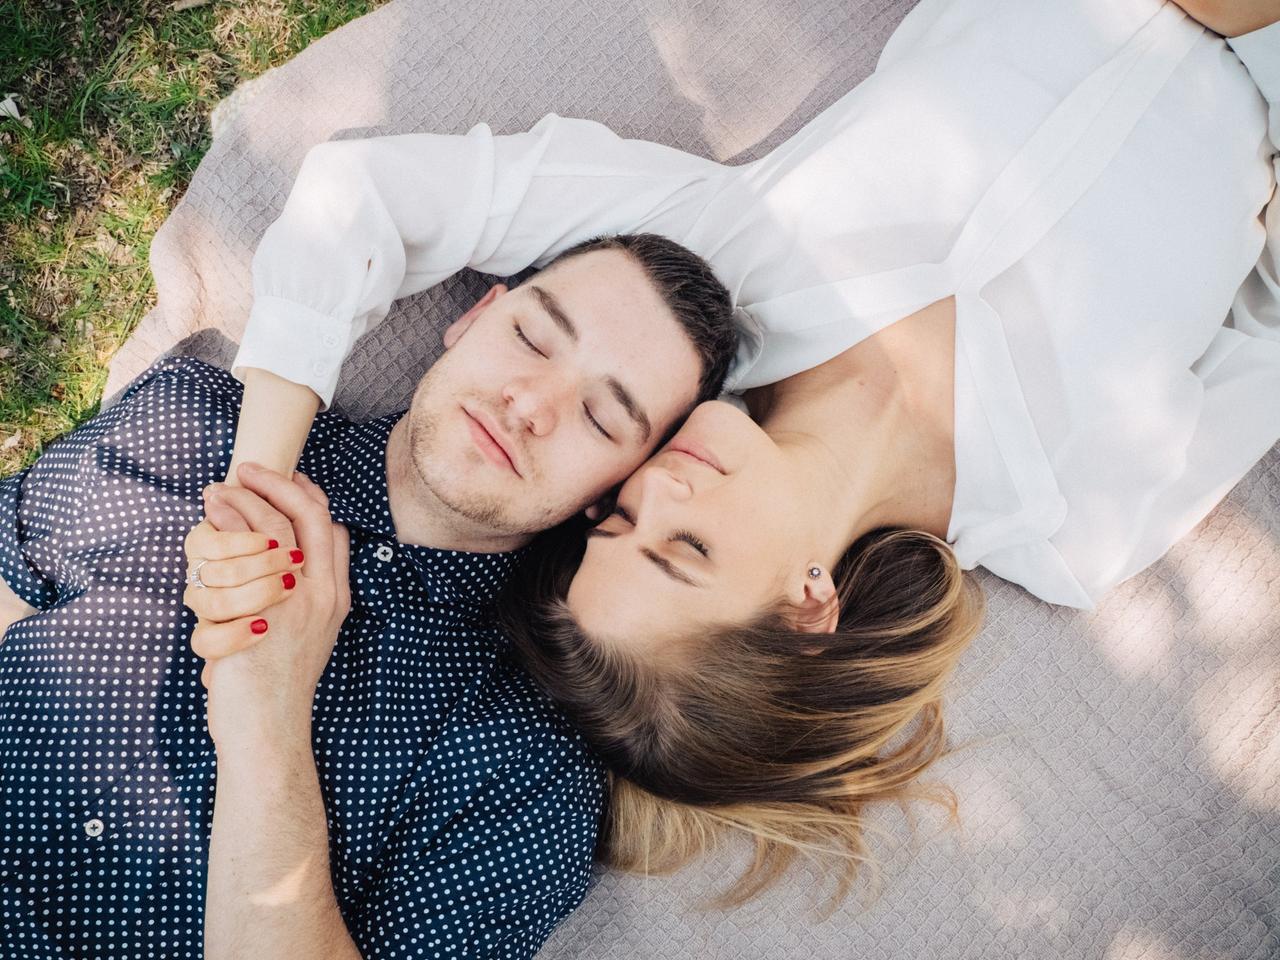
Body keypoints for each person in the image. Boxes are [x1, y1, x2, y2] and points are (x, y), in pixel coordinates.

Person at [178, 0, 1280, 907]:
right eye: (685, 546)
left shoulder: (710, 276)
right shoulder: (1077, 521)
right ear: (808, 604)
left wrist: (257, 491)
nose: (653, 484)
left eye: (613, 519)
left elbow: (363, 194)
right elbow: (1264, 324)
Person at [0, 234, 738, 958]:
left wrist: (271, 722)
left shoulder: (531, 778)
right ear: (475, 315)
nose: (530, 403)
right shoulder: (194, 420)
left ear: (607, 496)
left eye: (600, 418)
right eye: (534, 338)